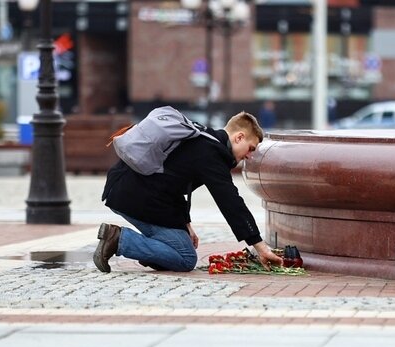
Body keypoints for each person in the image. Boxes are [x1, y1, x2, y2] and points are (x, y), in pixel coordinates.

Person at [94, 111, 283, 273]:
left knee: (179, 246)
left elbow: (173, 181)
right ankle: (118, 239)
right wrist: (259, 246)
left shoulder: (203, 138)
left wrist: (186, 224)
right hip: (131, 196)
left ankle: (155, 255)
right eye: (250, 149)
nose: (249, 155)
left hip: (128, 189)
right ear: (239, 137)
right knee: (185, 258)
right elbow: (231, 202)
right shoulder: (213, 154)